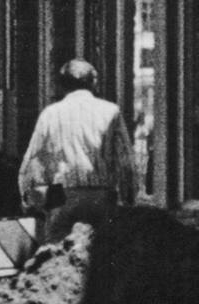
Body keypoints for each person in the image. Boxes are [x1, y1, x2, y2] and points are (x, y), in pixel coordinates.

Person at [18, 58, 135, 243]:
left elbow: (33, 159)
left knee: (57, 257)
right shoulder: (111, 111)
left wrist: (28, 198)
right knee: (103, 255)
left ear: (62, 85)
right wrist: (129, 198)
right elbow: (126, 162)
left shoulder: (50, 114)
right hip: (102, 195)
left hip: (60, 195)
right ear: (93, 82)